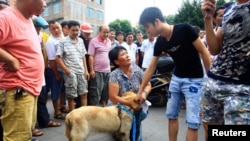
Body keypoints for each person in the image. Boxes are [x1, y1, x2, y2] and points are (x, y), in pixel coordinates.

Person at [137, 7, 211, 141]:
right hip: (176, 79)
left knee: (192, 122)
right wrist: (140, 91)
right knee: (171, 115)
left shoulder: (184, 29)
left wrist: (210, 80)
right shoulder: (160, 42)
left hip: (194, 80)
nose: (147, 31)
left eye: (147, 26)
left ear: (157, 21)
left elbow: (204, 52)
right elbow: (151, 67)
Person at [201, 0, 250, 141]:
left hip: (241, 88)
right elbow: (215, 49)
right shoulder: (229, 9)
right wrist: (208, 19)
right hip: (213, 81)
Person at [0, 0, 46, 140]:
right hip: (18, 89)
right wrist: (11, 60)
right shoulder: (6, 17)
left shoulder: (28, 19)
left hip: (29, 88)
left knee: (24, 136)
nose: (45, 4)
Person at [108, 46, 151, 141]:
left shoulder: (137, 70)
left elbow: (148, 84)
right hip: (120, 109)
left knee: (134, 136)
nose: (127, 55)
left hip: (136, 107)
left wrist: (144, 94)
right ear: (116, 62)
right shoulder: (114, 74)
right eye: (123, 54)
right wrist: (131, 104)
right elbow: (113, 97)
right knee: (122, 135)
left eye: (126, 53)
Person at [33, 16, 61, 130]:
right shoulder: (24, 33)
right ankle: (32, 126)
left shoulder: (41, 36)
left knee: (41, 96)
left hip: (40, 70)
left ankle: (43, 120)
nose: (39, 29)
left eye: (40, 27)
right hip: (29, 73)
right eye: (36, 27)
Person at [56, 20, 89, 111]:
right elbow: (58, 58)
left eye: (77, 30)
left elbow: (83, 56)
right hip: (71, 73)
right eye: (73, 30)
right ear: (68, 29)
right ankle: (73, 117)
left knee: (84, 94)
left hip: (81, 72)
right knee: (71, 96)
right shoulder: (63, 42)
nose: (75, 32)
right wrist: (67, 71)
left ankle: (84, 116)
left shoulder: (81, 41)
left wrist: (86, 71)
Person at [45, 21, 66, 119]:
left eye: (58, 27)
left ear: (61, 27)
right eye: (53, 28)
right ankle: (56, 112)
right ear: (50, 30)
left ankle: (62, 106)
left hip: (64, 70)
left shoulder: (64, 38)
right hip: (55, 71)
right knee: (56, 91)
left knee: (63, 90)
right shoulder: (50, 42)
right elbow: (52, 60)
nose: (56, 30)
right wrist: (56, 74)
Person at [88, 25, 111, 107]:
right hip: (97, 71)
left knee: (106, 91)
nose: (106, 34)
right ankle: (94, 110)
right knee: (95, 92)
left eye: (107, 32)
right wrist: (91, 70)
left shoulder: (109, 41)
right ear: (99, 32)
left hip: (107, 71)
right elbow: (91, 56)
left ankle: (104, 108)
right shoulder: (93, 41)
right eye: (104, 32)